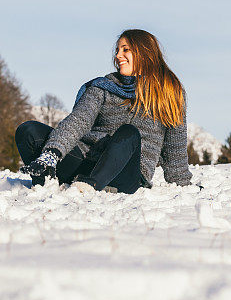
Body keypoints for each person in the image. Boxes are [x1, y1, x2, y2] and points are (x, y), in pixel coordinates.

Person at [16, 29, 192, 194]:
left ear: (144, 53)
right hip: (86, 162)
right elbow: (78, 121)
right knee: (29, 130)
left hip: (126, 174)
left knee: (129, 132)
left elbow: (174, 147)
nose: (118, 56)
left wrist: (183, 183)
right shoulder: (102, 87)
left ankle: (89, 185)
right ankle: (46, 181)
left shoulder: (170, 92)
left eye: (125, 50)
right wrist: (51, 154)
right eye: (117, 50)